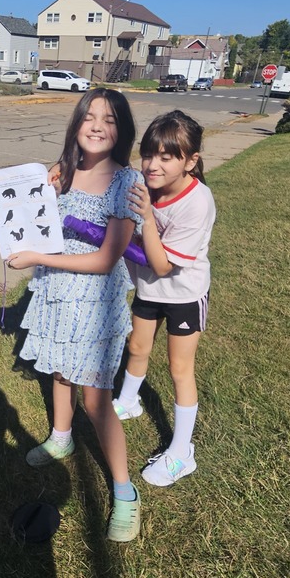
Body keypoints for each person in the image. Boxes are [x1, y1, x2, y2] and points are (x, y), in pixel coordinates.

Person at [6, 88, 144, 543]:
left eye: (109, 119)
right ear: (76, 124)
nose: (98, 125)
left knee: (96, 398)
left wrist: (34, 259)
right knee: (59, 370)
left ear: (121, 129)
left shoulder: (127, 182)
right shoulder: (63, 172)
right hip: (56, 293)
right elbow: (34, 224)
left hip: (96, 301)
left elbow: (108, 259)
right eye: (89, 116)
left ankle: (125, 492)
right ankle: (61, 435)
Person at [113, 110, 216, 487]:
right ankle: (128, 400)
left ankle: (181, 452)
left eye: (167, 156)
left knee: (179, 369)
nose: (153, 165)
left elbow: (162, 263)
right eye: (148, 154)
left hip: (184, 294)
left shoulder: (197, 202)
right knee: (137, 347)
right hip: (149, 289)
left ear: (191, 161)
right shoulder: (146, 182)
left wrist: (146, 217)